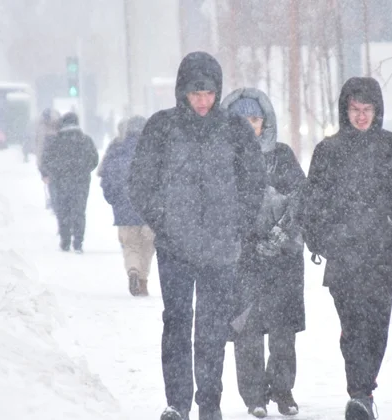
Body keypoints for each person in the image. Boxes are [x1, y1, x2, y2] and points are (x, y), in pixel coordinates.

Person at [127, 51, 266, 420]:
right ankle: (177, 404)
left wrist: (237, 223)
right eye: (195, 93)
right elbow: (140, 183)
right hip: (175, 248)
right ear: (182, 92)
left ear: (218, 93)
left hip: (221, 250)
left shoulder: (234, 130)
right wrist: (165, 221)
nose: (203, 101)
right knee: (175, 323)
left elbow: (254, 182)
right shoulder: (161, 127)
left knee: (211, 329)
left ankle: (209, 404)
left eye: (209, 93)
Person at [300, 77, 392, 420]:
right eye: (355, 109)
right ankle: (360, 393)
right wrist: (321, 239)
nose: (362, 116)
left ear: (377, 110)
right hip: (343, 258)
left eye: (368, 109)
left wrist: (388, 233)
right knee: (352, 327)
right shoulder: (328, 151)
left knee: (376, 327)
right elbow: (313, 202)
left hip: (381, 256)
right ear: (344, 110)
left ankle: (363, 390)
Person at [220, 88, 305, 419]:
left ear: (264, 122)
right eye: (241, 119)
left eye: (254, 119)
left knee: (283, 331)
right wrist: (245, 239)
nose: (248, 125)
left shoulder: (282, 156)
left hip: (283, 258)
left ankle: (282, 390)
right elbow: (220, 207)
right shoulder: (223, 158)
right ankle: (254, 395)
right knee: (247, 329)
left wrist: (280, 234)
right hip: (243, 259)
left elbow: (299, 197)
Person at [98, 115, 155, 296]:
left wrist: (114, 200)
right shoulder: (154, 150)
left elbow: (105, 179)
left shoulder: (116, 149)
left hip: (124, 210)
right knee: (148, 247)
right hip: (149, 211)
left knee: (130, 246)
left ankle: (133, 270)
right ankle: (143, 281)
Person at [39, 112, 99, 253]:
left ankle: (65, 241)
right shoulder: (85, 140)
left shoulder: (56, 141)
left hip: (60, 182)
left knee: (63, 210)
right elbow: (94, 160)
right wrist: (84, 170)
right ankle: (78, 241)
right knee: (79, 211)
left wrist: (54, 172)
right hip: (81, 182)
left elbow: (46, 160)